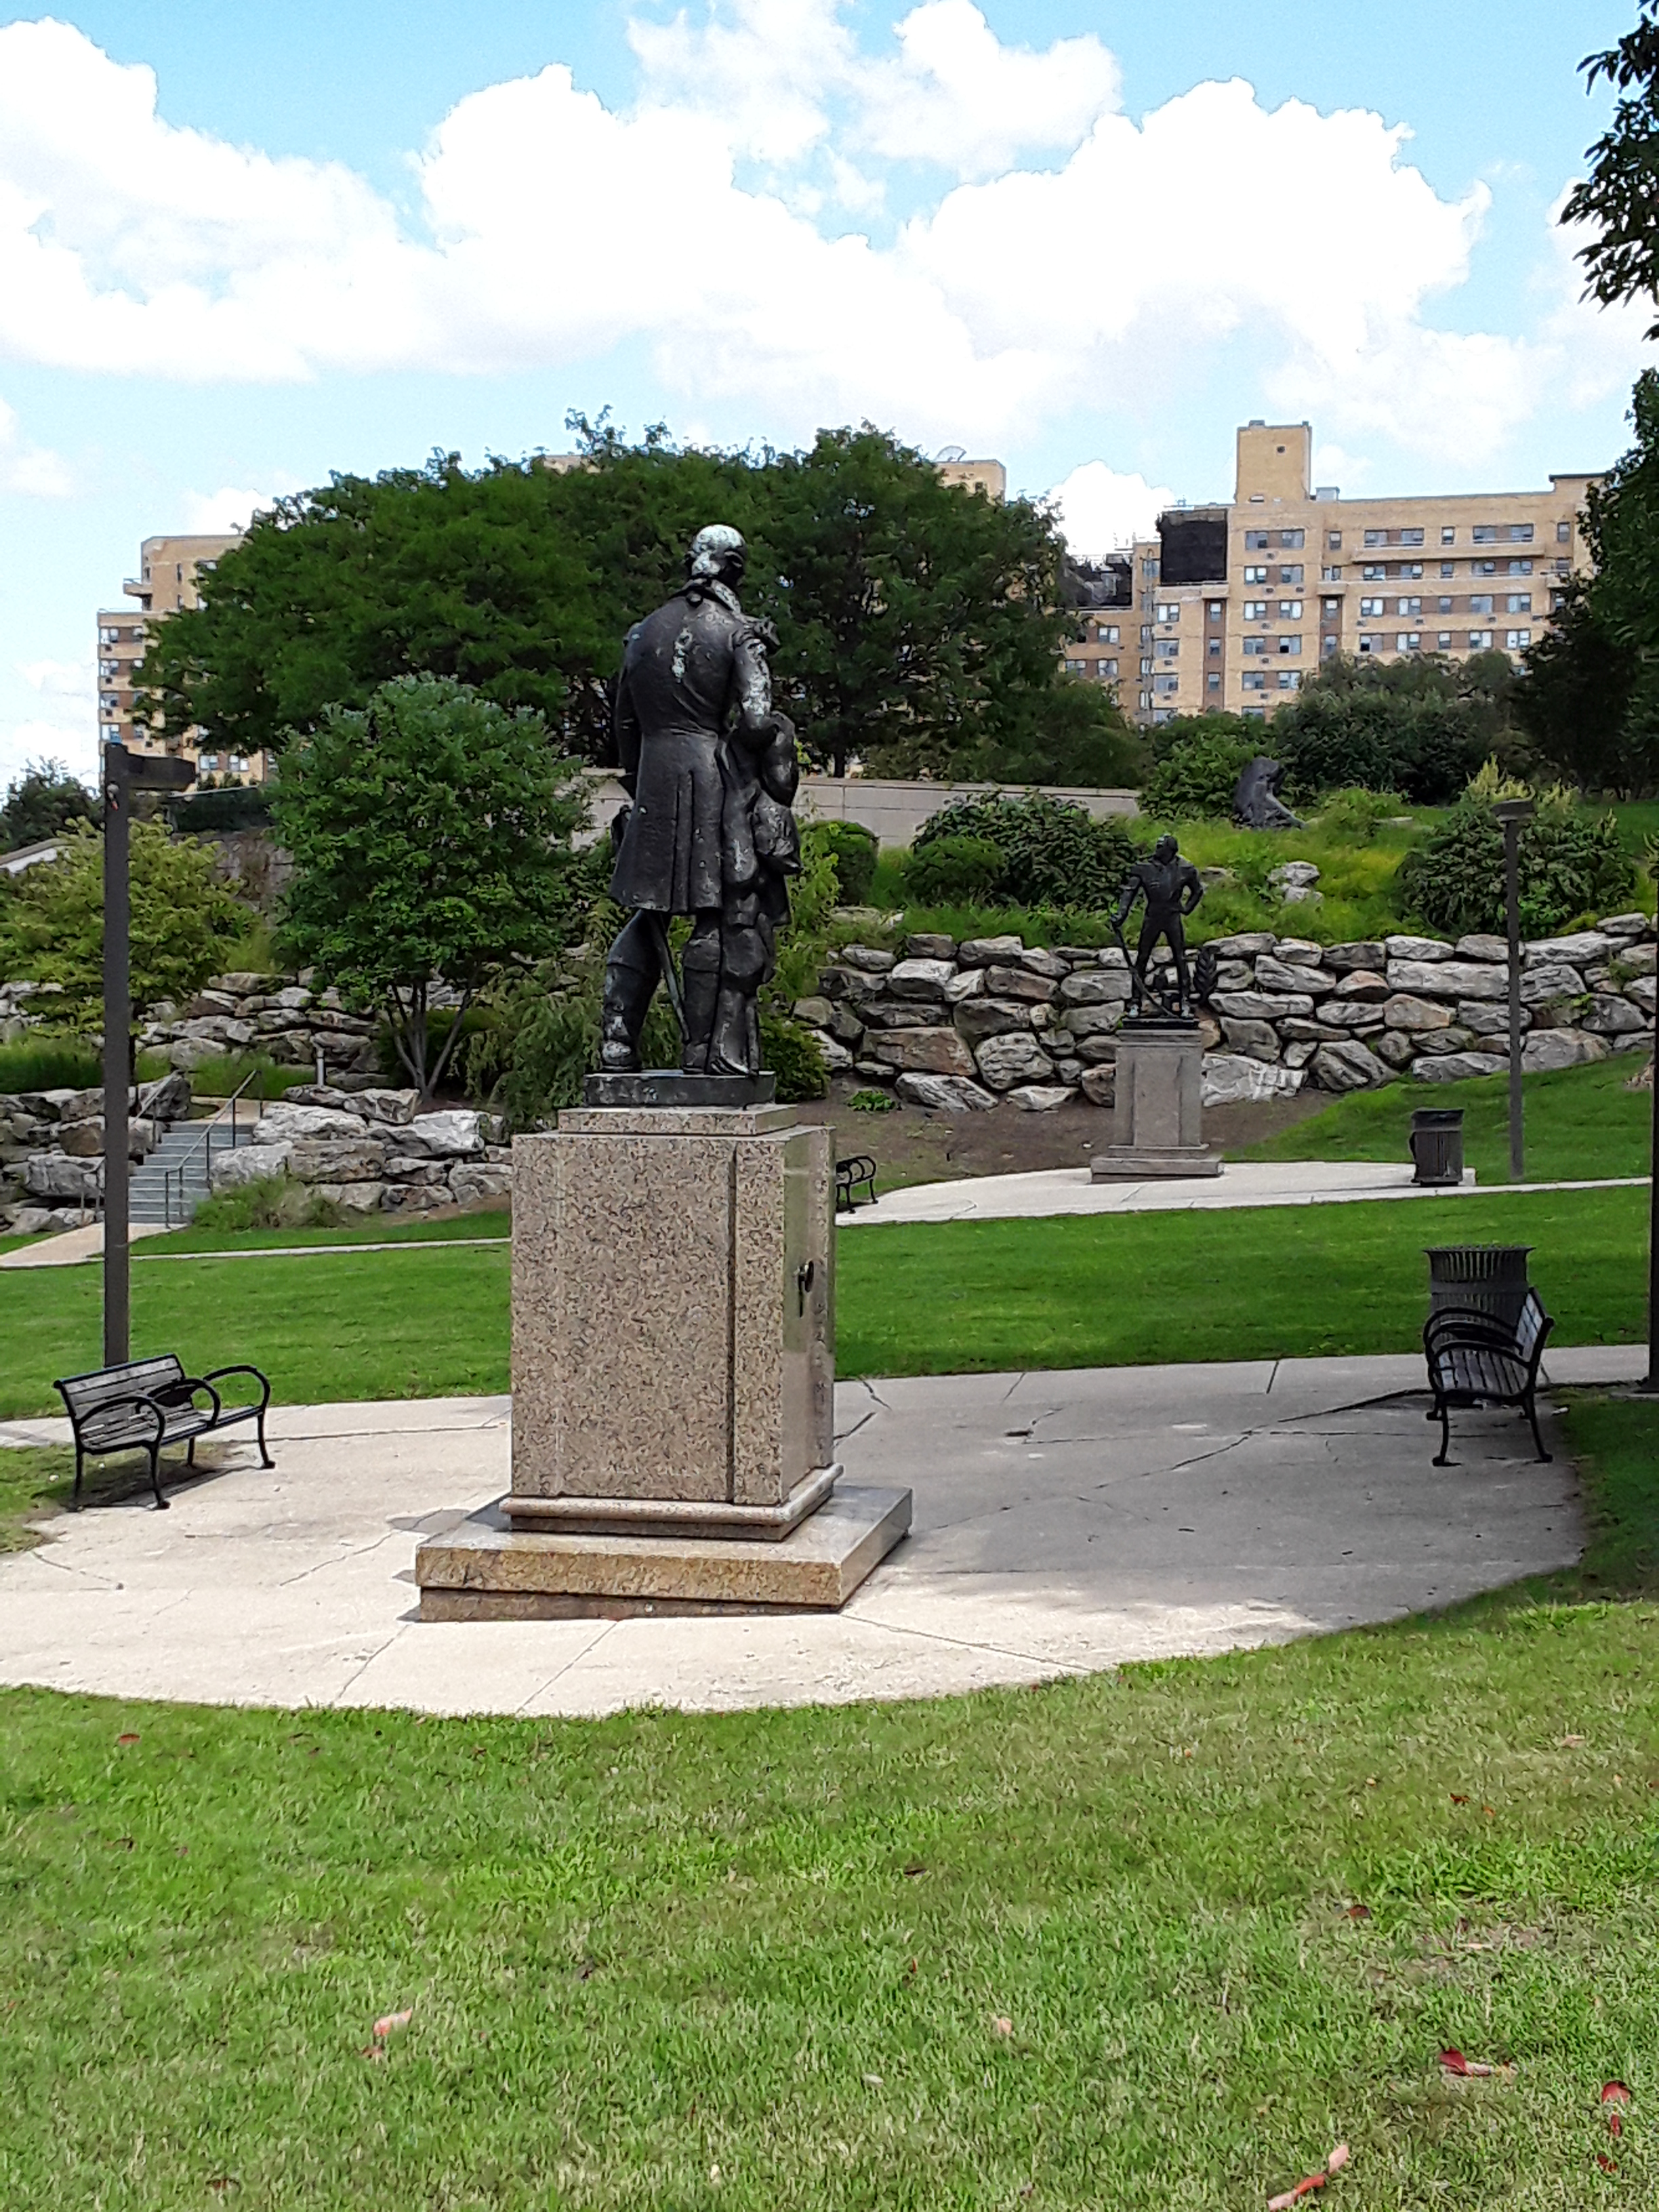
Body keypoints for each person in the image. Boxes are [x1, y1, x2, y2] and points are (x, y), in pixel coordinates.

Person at [598, 525, 800, 1078]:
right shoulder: (740, 633)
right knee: (712, 917)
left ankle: (617, 1042)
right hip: (711, 780)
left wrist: (639, 782)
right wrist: (776, 736)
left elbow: (623, 722)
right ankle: (699, 1053)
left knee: (648, 913)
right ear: (732, 567)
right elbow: (755, 721)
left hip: (654, 778)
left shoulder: (642, 633)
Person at [1111, 834, 1204, 1017]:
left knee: (1180, 958)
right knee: (1142, 958)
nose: (1157, 850)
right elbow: (1129, 891)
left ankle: (1185, 1000)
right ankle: (1135, 1002)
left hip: (1172, 916)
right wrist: (1121, 914)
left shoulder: (1185, 868)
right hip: (1152, 916)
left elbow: (1197, 890)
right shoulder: (1145, 867)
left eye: (1161, 847)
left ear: (1170, 850)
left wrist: (1187, 909)